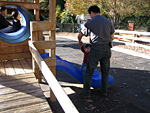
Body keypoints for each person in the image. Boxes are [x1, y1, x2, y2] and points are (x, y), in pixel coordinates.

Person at [78, 5, 115, 98]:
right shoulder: (108, 21)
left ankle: (86, 93)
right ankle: (104, 91)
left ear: (91, 13)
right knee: (105, 71)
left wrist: (80, 41)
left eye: (90, 14)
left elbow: (80, 35)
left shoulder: (90, 22)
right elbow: (112, 37)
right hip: (107, 49)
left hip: (96, 49)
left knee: (89, 71)